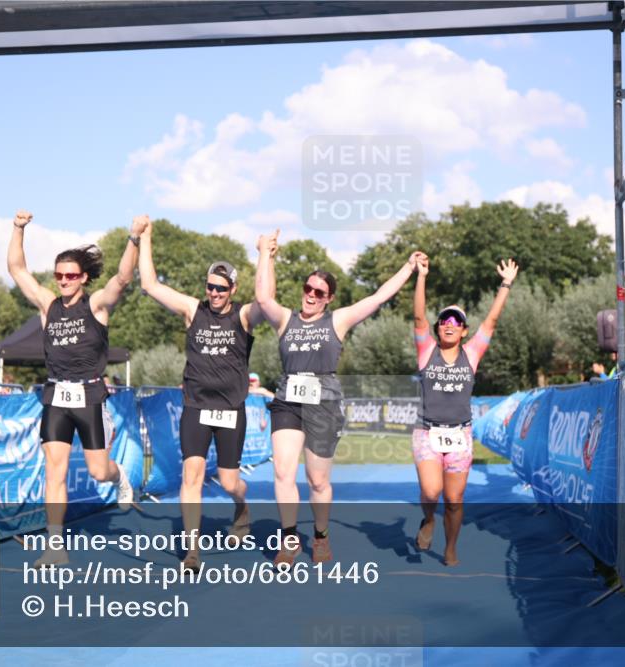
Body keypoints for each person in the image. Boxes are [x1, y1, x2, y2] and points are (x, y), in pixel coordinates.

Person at [255, 230, 424, 566]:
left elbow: (377, 298)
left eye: (319, 292)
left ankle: (320, 536)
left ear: (329, 298)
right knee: (283, 472)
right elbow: (263, 298)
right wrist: (264, 253)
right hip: (288, 401)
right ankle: (289, 539)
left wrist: (408, 267)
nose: (311, 295)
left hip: (324, 405)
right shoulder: (286, 319)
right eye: (308, 288)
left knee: (318, 481)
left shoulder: (338, 320)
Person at [7, 209, 138, 567]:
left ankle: (119, 475)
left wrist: (134, 238)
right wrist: (18, 229)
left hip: (90, 395)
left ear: (83, 278)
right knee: (55, 471)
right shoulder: (48, 306)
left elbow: (123, 278)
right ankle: (55, 546)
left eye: (70, 276)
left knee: (99, 471)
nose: (63, 281)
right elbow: (17, 269)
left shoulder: (95, 306)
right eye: (59, 275)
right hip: (56, 396)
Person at [137, 217, 264, 571]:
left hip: (230, 409)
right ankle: (192, 551)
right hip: (195, 406)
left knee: (229, 481)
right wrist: (145, 237)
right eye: (210, 286)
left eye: (221, 288)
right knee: (191, 476)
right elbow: (149, 284)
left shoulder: (243, 316)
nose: (214, 293)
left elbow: (265, 299)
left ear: (233, 289)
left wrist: (264, 256)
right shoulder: (193, 310)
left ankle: (241, 505)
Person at [411, 254, 518, 566]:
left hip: (460, 434)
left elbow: (491, 321)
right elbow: (418, 317)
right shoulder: (426, 351)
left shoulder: (471, 354)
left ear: (464, 331)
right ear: (438, 328)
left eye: (456, 321)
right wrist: (421, 276)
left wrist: (506, 284)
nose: (449, 324)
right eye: (444, 320)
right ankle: (428, 519)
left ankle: (450, 547)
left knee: (455, 500)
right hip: (427, 432)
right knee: (431, 491)